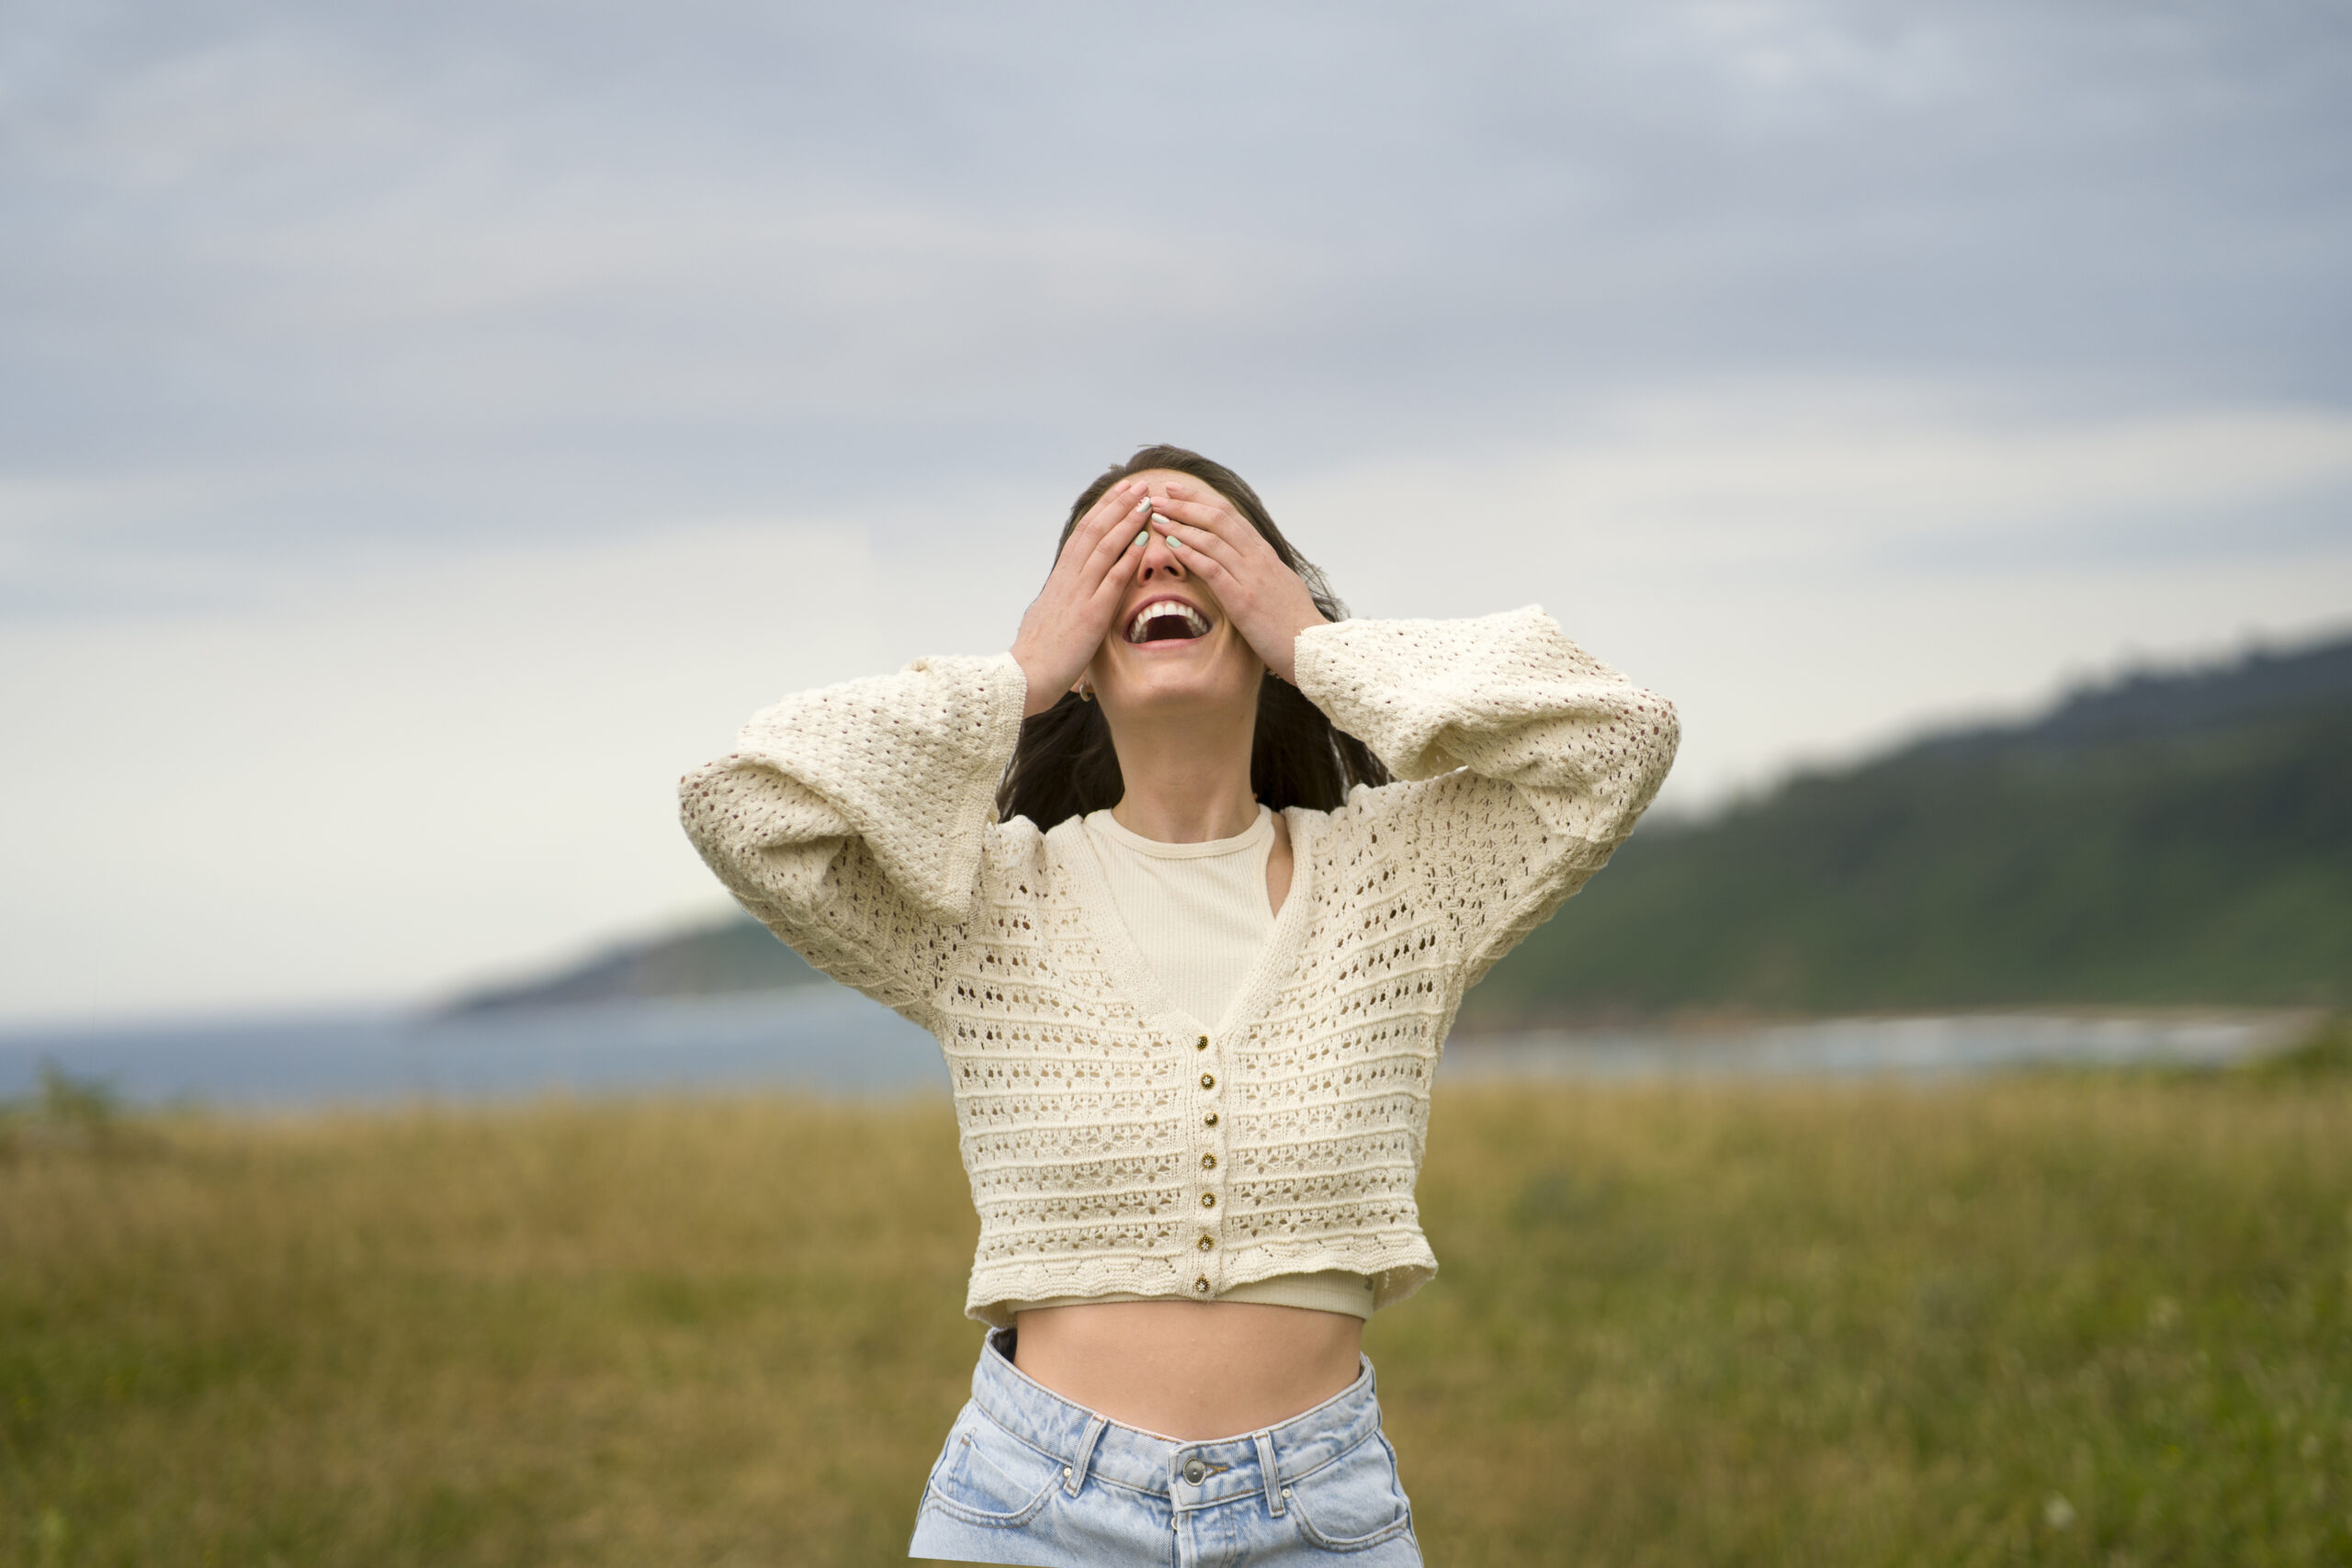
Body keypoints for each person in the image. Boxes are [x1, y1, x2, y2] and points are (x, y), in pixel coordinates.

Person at [678, 445, 1678, 1565]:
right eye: (1116, 558)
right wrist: (1013, 678)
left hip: (1320, 1516)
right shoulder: (983, 908)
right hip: (1028, 1514)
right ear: (1082, 647)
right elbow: (740, 804)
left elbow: (1617, 736)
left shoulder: (1403, 888)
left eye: (1202, 547)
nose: (1159, 567)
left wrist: (1315, 644)